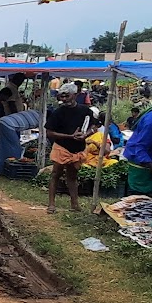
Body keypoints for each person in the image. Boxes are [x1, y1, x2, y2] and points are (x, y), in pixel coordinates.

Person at [45, 83, 95, 212]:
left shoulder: (85, 111)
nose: (64, 99)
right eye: (62, 96)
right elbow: (49, 132)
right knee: (56, 174)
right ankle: (51, 204)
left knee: (72, 176)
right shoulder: (58, 112)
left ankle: (74, 204)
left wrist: (85, 134)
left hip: (77, 148)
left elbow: (94, 126)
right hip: (61, 147)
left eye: (67, 96)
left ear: (75, 95)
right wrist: (69, 136)